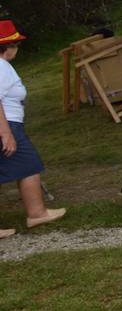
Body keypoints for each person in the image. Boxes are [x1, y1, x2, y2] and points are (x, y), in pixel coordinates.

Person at [0, 20, 66, 238]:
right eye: (15, 45)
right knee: (29, 164)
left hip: (9, 123)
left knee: (27, 165)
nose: (16, 49)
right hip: (7, 124)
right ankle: (37, 213)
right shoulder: (1, 66)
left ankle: (36, 212)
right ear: (7, 47)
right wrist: (6, 133)